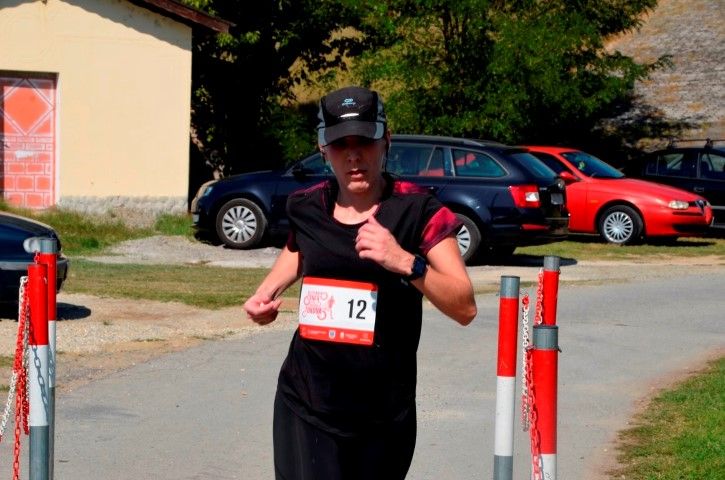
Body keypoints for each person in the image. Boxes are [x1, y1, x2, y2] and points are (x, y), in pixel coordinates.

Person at [243, 86, 477, 480]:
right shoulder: (306, 206)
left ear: (385, 141)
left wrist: (403, 261)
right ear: (323, 149)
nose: (353, 155)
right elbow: (298, 250)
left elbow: (465, 306)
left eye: (364, 141)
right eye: (340, 144)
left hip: (382, 417)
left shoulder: (418, 210)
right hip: (307, 403)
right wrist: (266, 293)